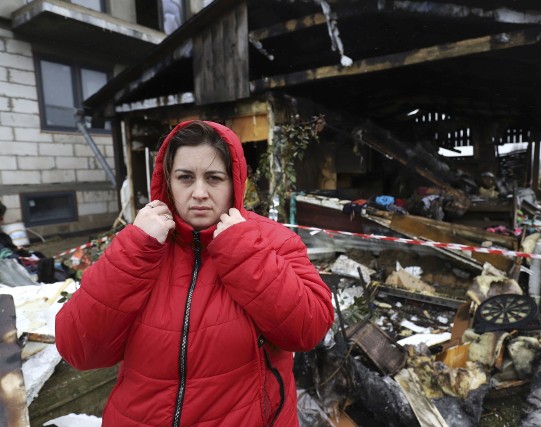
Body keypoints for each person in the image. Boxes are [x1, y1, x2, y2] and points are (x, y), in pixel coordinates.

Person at [55, 120, 335, 426]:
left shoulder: (271, 240)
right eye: (185, 177)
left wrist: (244, 252)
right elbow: (78, 350)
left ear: (234, 182)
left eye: (214, 178)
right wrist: (136, 250)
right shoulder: (141, 245)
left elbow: (309, 329)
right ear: (168, 181)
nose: (199, 192)